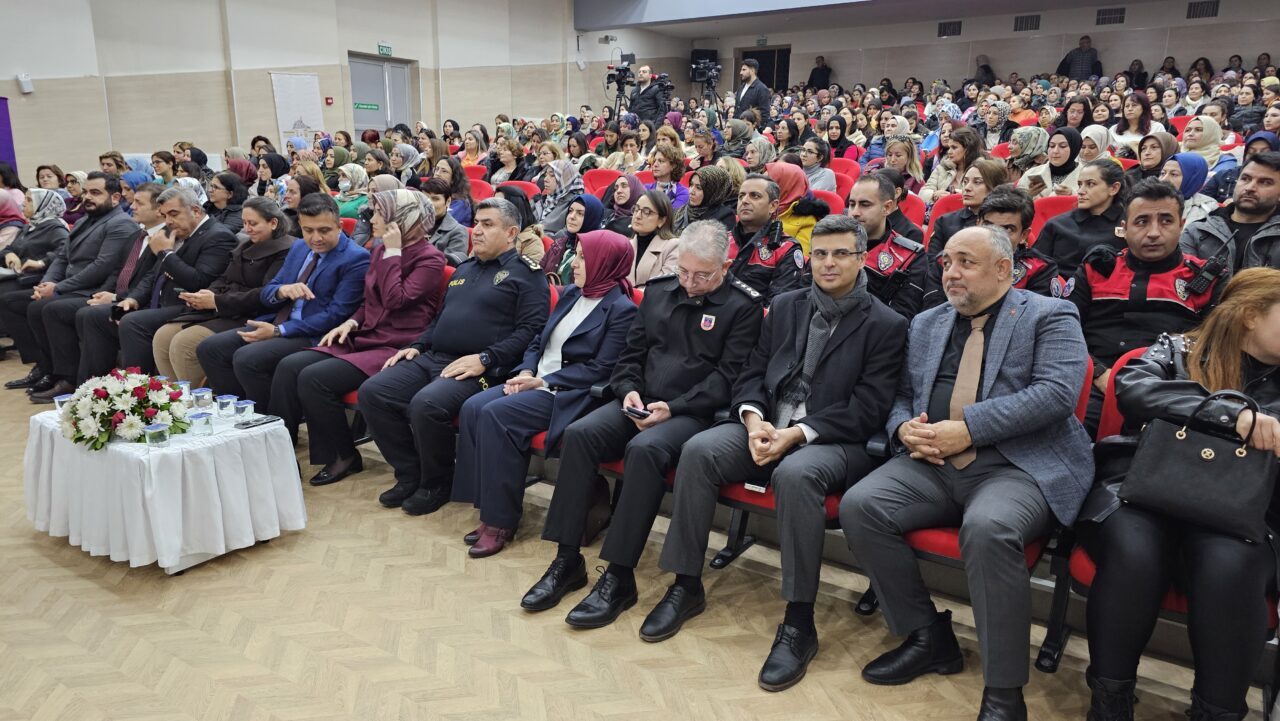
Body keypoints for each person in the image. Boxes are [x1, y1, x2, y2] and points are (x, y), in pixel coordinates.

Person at [840, 224, 1093, 721]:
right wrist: (904, 430)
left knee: (989, 528)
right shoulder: (928, 322)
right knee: (861, 506)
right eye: (947, 262)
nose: (950, 273)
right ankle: (927, 636)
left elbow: (1057, 394)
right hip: (932, 461)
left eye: (965, 263)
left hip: (1018, 466)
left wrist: (969, 429)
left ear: (1004, 268)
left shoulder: (1052, 313)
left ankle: (1003, 692)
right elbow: (901, 397)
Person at [646, 214, 907, 690]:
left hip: (832, 441)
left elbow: (868, 410)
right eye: (820, 253)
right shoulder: (785, 305)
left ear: (862, 257)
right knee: (700, 450)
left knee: (796, 476)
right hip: (765, 425)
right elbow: (751, 372)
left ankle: (798, 621)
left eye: (840, 254)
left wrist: (798, 434)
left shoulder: (887, 324)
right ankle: (685, 585)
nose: (828, 263)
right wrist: (751, 418)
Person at [519, 222, 763, 626]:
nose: (689, 282)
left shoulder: (742, 306)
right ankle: (567, 559)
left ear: (726, 265)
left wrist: (675, 406)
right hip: (638, 401)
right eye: (684, 271)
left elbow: (728, 378)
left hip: (692, 413)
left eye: (702, 275)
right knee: (580, 434)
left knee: (645, 450)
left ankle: (618, 575)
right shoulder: (660, 290)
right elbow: (631, 353)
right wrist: (628, 389)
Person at [1074, 267, 1280, 721]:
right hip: (1148, 489)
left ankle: (1216, 712)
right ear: (1249, 316)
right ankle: (1109, 701)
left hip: (1243, 510)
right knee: (1134, 551)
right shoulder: (1179, 349)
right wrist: (1231, 415)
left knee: (1230, 564)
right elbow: (1134, 388)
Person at [357, 197, 549, 514]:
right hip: (434, 356)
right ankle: (410, 473)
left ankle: (437, 483)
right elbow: (440, 319)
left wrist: (486, 358)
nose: (478, 231)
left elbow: (531, 331)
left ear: (511, 232)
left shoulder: (527, 275)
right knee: (374, 392)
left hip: (483, 368)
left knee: (426, 404)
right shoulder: (465, 269)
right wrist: (418, 345)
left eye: (489, 225)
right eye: (477, 223)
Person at [452, 230, 638, 557]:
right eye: (576, 255)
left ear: (605, 263)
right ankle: (487, 507)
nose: (574, 264)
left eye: (583, 258)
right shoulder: (570, 294)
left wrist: (542, 381)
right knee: (472, 407)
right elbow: (539, 340)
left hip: (568, 393)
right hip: (535, 380)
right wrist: (526, 370)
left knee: (497, 414)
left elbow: (602, 369)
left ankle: (500, 522)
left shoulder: (621, 310)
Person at [272, 189, 447, 487]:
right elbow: (371, 300)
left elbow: (395, 300)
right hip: (366, 334)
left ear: (401, 219)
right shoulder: (379, 250)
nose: (371, 218)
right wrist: (351, 322)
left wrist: (392, 251)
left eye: (379, 213)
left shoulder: (430, 259)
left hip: (397, 343)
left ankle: (344, 456)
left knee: (314, 378)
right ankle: (279, 451)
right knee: (291, 366)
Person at [1063, 178, 1220, 434]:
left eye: (1166, 221)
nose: (1154, 232)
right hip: (1092, 382)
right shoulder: (1097, 269)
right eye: (1142, 221)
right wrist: (1100, 374)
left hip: (1171, 391)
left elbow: (1216, 348)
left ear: (1182, 226)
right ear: (1124, 228)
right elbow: (1064, 332)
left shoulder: (1206, 278)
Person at [196, 194, 370, 409]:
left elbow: (336, 315)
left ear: (339, 226)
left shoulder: (356, 258)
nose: (316, 238)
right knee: (210, 348)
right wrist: (281, 292)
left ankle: (274, 424)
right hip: (277, 320)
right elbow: (269, 289)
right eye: (308, 230)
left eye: (324, 230)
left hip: (314, 333)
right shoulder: (299, 247)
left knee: (247, 358)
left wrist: (279, 331)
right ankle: (239, 412)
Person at [73, 185, 238, 387]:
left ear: (195, 210)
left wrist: (165, 254)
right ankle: (92, 387)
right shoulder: (177, 231)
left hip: (189, 307)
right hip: (159, 302)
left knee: (133, 322)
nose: (168, 221)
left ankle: (139, 391)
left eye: (174, 214)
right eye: (165, 215)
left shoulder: (218, 236)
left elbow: (198, 281)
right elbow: (153, 275)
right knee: (96, 316)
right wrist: (132, 299)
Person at [0, 173, 139, 397]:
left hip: (96, 288)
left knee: (51, 308)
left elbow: (101, 266)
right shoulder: (85, 220)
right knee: (35, 305)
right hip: (72, 285)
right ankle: (48, 369)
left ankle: (69, 378)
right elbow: (62, 258)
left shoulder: (120, 223)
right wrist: (47, 283)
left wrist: (59, 288)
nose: (87, 197)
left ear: (114, 198)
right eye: (86, 192)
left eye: (95, 193)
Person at [149, 196, 294, 383]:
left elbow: (265, 293)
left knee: (184, 342)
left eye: (253, 223)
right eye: (244, 223)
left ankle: (200, 402)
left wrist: (216, 301)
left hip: (250, 313)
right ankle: (176, 399)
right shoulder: (247, 244)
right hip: (224, 307)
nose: (247, 229)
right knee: (163, 336)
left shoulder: (286, 250)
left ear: (273, 223)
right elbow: (225, 277)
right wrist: (206, 294)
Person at [1179, 152, 1280, 284]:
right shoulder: (1197, 231)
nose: (1250, 188)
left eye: (1265, 182)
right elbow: (1181, 285)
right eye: (1245, 179)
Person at [848, 174, 926, 319]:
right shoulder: (832, 241)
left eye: (865, 204)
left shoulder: (910, 255)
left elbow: (901, 317)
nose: (855, 213)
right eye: (852, 204)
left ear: (887, 207)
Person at [1036, 158, 1127, 276]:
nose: (1080, 191)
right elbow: (1036, 267)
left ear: (1114, 188)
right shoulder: (1057, 225)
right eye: (1080, 184)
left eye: (1090, 184)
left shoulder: (1130, 224)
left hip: (1112, 291)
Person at [729, 172, 809, 304]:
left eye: (755, 196)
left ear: (773, 206)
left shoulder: (786, 248)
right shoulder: (721, 240)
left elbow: (778, 306)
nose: (744, 201)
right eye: (741, 196)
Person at [542, 193, 605, 284]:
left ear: (591, 218)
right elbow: (539, 274)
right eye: (570, 211)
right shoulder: (559, 243)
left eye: (580, 213)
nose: (572, 217)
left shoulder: (596, 253)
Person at [628, 190, 679, 286]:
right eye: (636, 209)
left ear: (662, 220)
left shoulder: (673, 247)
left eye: (647, 212)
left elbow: (664, 287)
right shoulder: (627, 245)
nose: (638, 216)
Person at [921, 127, 983, 205]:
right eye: (949, 147)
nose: (949, 152)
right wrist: (934, 195)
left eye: (954, 147)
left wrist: (953, 197)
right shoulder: (942, 167)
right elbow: (923, 193)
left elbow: (986, 197)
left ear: (968, 149)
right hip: (942, 213)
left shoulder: (982, 170)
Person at [1018, 128, 1082, 200]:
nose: (1055, 151)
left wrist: (1072, 194)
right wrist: (1029, 195)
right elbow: (1015, 205)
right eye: (1051, 146)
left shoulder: (1086, 175)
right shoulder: (1031, 173)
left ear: (1074, 148)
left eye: (1063, 146)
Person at [418, 178, 468, 266]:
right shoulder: (412, 223)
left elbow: (451, 266)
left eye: (435, 199)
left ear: (448, 201)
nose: (428, 203)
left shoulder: (458, 231)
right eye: (424, 198)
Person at [675, 165, 737, 232]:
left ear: (713, 191)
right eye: (691, 185)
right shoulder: (682, 210)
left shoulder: (724, 216)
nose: (691, 191)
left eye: (699, 188)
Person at [1160, 153, 1218, 224]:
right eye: (1163, 173)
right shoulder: (1147, 200)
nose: (1164, 179)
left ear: (1192, 178)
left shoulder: (1207, 207)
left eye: (1174, 174)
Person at [534, 159, 584, 236]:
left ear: (565, 179)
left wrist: (537, 235)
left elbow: (564, 237)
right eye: (546, 175)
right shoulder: (543, 199)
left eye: (552, 175)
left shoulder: (576, 205)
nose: (545, 179)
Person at [644, 144, 689, 210]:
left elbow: (672, 216)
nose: (655, 165)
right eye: (654, 161)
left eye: (661, 161)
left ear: (673, 166)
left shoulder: (683, 193)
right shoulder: (645, 188)